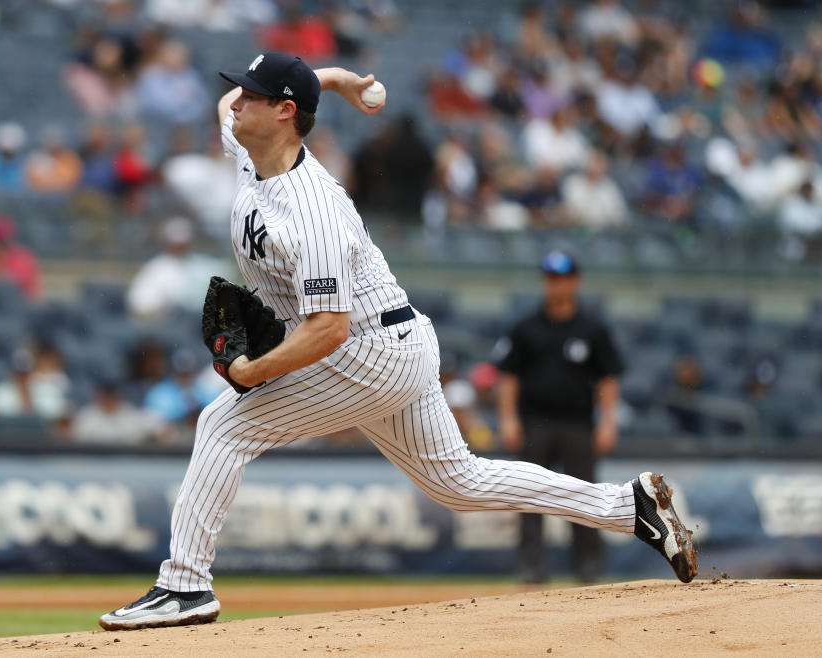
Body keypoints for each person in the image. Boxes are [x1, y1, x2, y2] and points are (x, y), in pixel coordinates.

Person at [100, 53, 697, 632]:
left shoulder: (313, 212)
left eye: (255, 96)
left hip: (367, 348)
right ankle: (629, 507)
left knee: (224, 425)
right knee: (458, 484)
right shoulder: (251, 149)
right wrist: (328, 79)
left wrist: (253, 373)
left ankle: (185, 585)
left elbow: (327, 329)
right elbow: (227, 102)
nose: (237, 104)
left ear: (284, 112)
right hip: (393, 343)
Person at [494, 251, 624, 583]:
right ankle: (532, 566)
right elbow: (508, 376)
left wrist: (608, 422)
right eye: (551, 279)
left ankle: (588, 565)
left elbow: (607, 379)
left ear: (575, 282)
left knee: (583, 497)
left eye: (563, 279)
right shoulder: (526, 328)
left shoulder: (592, 330)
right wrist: (508, 420)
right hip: (536, 424)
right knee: (529, 496)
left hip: (578, 425)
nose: (556, 285)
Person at [126, 217, 227, 318]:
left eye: (183, 243)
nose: (180, 246)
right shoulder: (156, 268)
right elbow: (140, 303)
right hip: (166, 323)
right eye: (177, 243)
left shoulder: (200, 264)